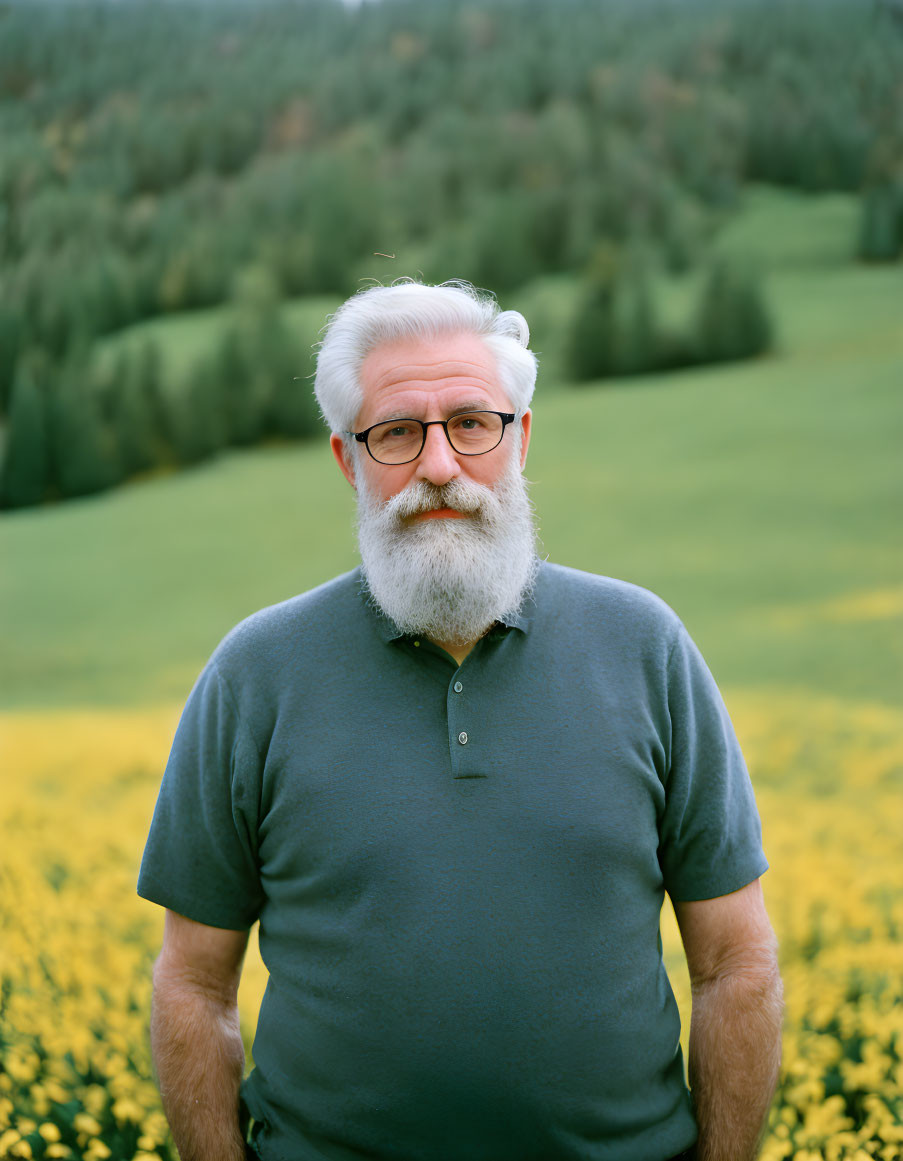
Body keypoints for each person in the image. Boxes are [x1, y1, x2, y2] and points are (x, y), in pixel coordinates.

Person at [138, 280, 783, 1161]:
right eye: (397, 432)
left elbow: (733, 963)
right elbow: (192, 984)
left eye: (471, 423)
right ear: (346, 458)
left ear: (519, 438)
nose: (438, 465)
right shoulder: (254, 673)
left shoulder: (645, 646)